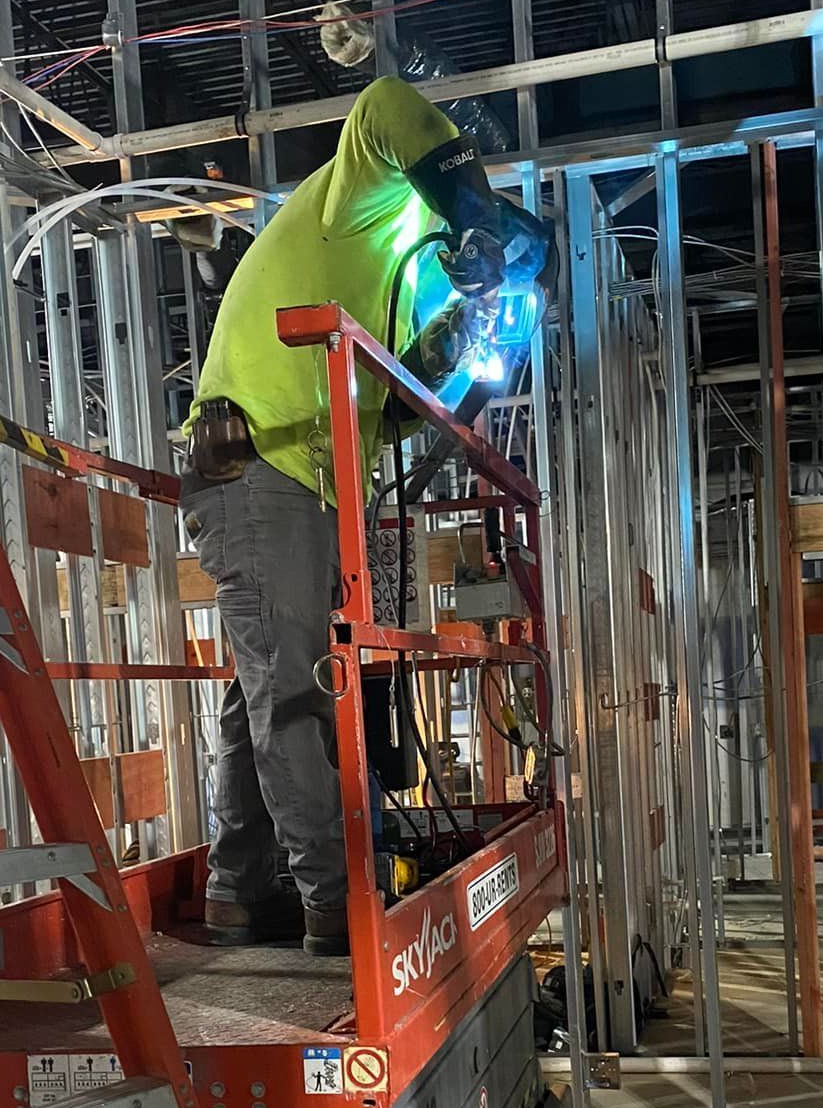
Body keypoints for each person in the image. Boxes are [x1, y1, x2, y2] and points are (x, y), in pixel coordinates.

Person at [178, 75, 549, 958]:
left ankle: (238, 886)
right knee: (295, 693)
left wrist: (452, 351)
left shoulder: (414, 285)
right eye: (501, 253)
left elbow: (397, 408)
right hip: (258, 461)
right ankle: (335, 901)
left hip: (303, 478)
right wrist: (478, 220)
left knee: (262, 687)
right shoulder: (373, 196)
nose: (489, 280)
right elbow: (387, 99)